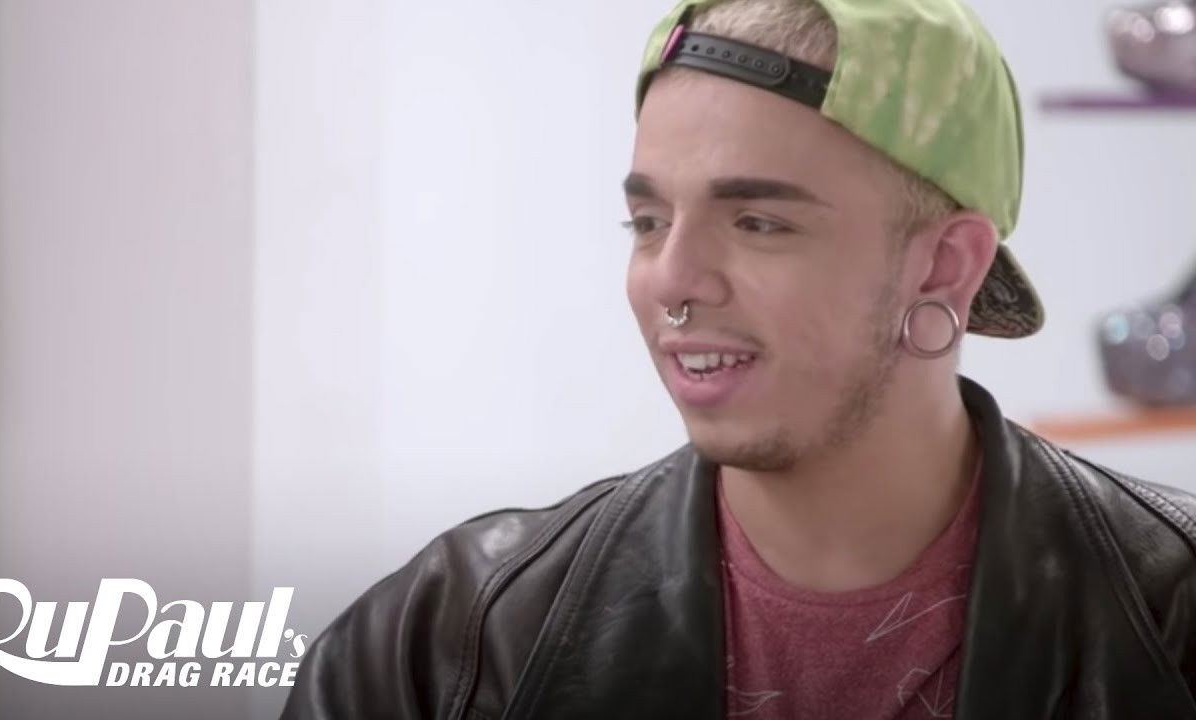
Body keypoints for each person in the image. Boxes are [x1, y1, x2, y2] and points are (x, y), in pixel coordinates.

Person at [280, 0, 1196, 717]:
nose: (672, 282)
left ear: (944, 266)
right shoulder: (447, 640)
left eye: (758, 222)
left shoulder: (1171, 619)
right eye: (647, 222)